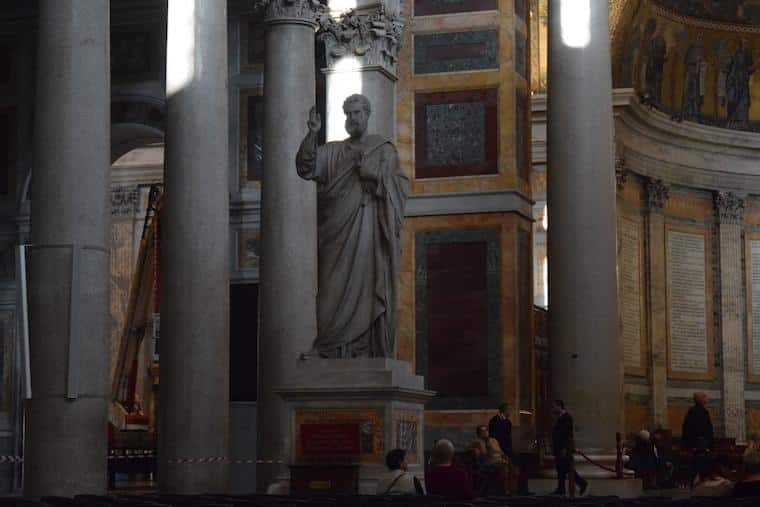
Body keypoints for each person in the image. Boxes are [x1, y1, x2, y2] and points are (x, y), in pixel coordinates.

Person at [296, 94, 409, 358]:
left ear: (367, 115)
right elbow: (306, 167)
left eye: (357, 113)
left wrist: (373, 175)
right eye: (348, 114)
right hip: (335, 232)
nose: (352, 119)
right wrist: (312, 136)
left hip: (367, 228)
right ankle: (328, 345)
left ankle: (360, 347)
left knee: (367, 286)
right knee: (329, 292)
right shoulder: (334, 150)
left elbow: (400, 188)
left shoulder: (383, 150)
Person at [551, 400, 588, 496]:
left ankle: (581, 483)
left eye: (554, 407)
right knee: (562, 469)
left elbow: (565, 434)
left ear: (560, 406)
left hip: (564, 448)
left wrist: (563, 448)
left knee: (566, 468)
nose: (553, 409)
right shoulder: (560, 418)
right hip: (559, 448)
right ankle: (561, 488)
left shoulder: (567, 418)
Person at [682, 391, 714, 487]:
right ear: (701, 399)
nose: (707, 398)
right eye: (705, 396)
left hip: (694, 446)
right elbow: (706, 430)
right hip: (701, 446)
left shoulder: (691, 412)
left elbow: (686, 429)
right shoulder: (702, 412)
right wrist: (708, 444)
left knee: (695, 470)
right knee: (701, 469)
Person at [469, 425, 509, 495]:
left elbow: (501, 452)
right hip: (488, 463)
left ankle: (516, 489)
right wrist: (475, 451)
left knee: (515, 468)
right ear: (479, 433)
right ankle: (504, 490)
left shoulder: (494, 440)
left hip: (500, 461)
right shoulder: (477, 442)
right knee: (503, 468)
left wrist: (505, 457)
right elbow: (469, 450)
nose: (485, 432)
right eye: (483, 431)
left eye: (486, 430)